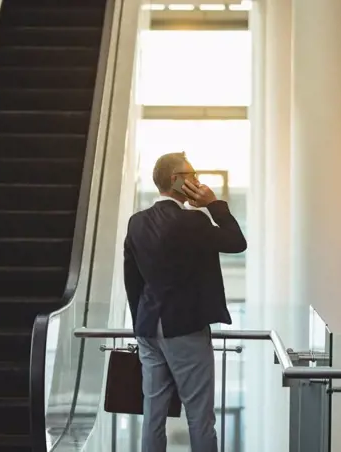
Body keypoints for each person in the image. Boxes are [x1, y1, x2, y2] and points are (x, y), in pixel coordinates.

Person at [123, 152, 247, 452]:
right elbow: (236, 242)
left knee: (153, 414)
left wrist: (140, 323)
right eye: (190, 175)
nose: (197, 180)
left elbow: (132, 279)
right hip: (186, 329)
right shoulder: (193, 221)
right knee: (200, 416)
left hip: (148, 327)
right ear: (175, 180)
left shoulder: (137, 222)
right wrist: (213, 204)